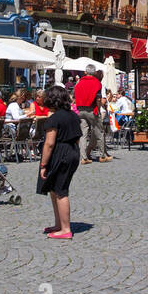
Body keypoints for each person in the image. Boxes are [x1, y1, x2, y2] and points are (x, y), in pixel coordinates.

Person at [36, 86, 81, 240]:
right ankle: (59, 224)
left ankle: (65, 229)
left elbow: (49, 144)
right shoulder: (73, 116)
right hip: (73, 152)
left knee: (60, 191)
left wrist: (43, 165)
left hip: (60, 153)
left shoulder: (53, 119)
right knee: (55, 189)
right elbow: (77, 137)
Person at [74, 70, 110, 163]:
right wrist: (97, 108)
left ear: (86, 72)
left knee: (83, 134)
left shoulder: (79, 82)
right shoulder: (96, 82)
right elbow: (98, 98)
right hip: (92, 109)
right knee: (99, 131)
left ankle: (84, 158)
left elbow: (75, 95)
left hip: (81, 110)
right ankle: (102, 156)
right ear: (93, 72)